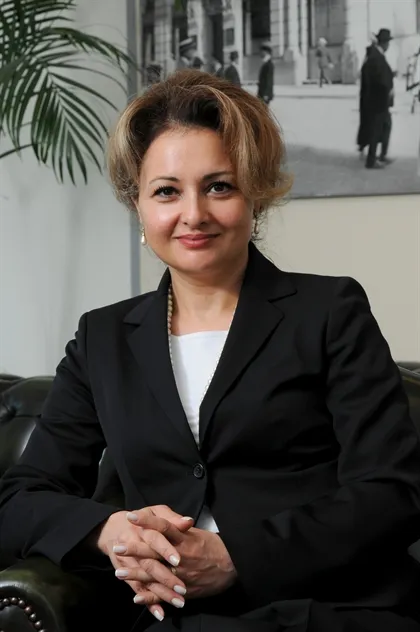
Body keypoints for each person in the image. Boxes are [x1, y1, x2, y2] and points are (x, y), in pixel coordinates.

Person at [1, 69, 420, 632]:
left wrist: (235, 556)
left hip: (320, 609)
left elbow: (392, 492)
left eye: (219, 186)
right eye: (166, 191)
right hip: (165, 617)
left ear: (255, 196)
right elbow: (21, 497)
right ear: (138, 205)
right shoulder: (102, 338)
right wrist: (109, 531)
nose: (193, 214)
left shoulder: (330, 311)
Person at [359, 28, 395, 169]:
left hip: (378, 100)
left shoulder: (376, 55)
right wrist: (388, 87)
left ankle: (381, 156)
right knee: (376, 129)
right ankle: (371, 160)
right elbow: (378, 79)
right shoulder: (376, 57)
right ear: (384, 43)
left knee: (385, 126)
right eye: (388, 42)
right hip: (377, 100)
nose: (389, 45)